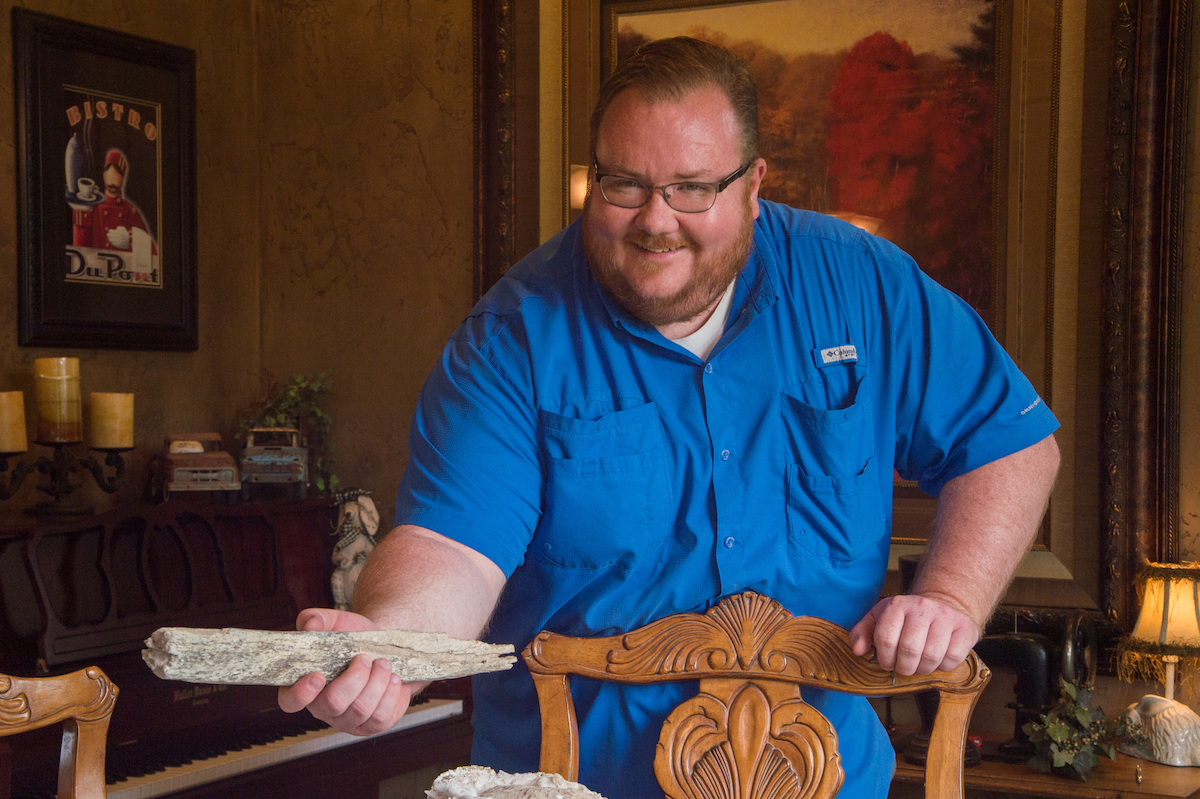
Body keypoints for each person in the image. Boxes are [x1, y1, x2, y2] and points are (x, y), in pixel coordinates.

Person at [280, 37, 1060, 798]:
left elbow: (1011, 443)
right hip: (568, 783)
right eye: (624, 185)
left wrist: (950, 597)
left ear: (754, 183)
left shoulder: (865, 285)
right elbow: (451, 546)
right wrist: (390, 647)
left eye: (692, 187)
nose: (656, 220)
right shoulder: (512, 337)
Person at [72, 148, 157, 253]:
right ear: (104, 174)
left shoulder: (130, 210)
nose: (112, 177)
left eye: (118, 172)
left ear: (123, 178)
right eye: (108, 170)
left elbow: (153, 252)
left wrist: (131, 240)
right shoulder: (91, 206)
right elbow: (79, 249)